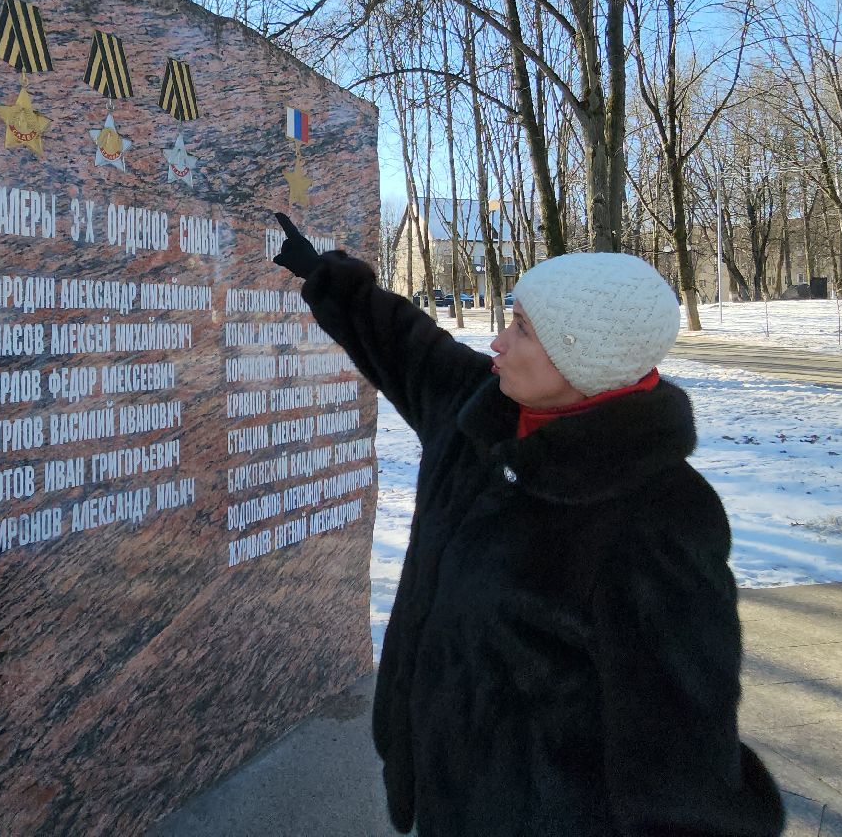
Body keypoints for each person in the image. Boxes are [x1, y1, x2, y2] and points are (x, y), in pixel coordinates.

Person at [271, 213, 783, 837]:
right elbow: (403, 342)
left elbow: (678, 732)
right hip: (443, 788)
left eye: (521, 329)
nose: (497, 343)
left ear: (582, 357)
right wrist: (324, 275)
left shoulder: (657, 511)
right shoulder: (478, 413)